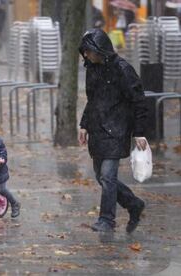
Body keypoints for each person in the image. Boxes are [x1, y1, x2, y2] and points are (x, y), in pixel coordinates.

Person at [78, 29, 148, 233]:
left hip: (117, 129)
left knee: (108, 176)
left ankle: (107, 220)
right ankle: (134, 204)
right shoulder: (92, 69)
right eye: (85, 52)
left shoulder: (123, 69)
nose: (86, 55)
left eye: (89, 51)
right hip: (98, 129)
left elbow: (139, 101)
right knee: (101, 176)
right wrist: (84, 125)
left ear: (100, 50)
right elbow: (92, 100)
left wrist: (139, 132)